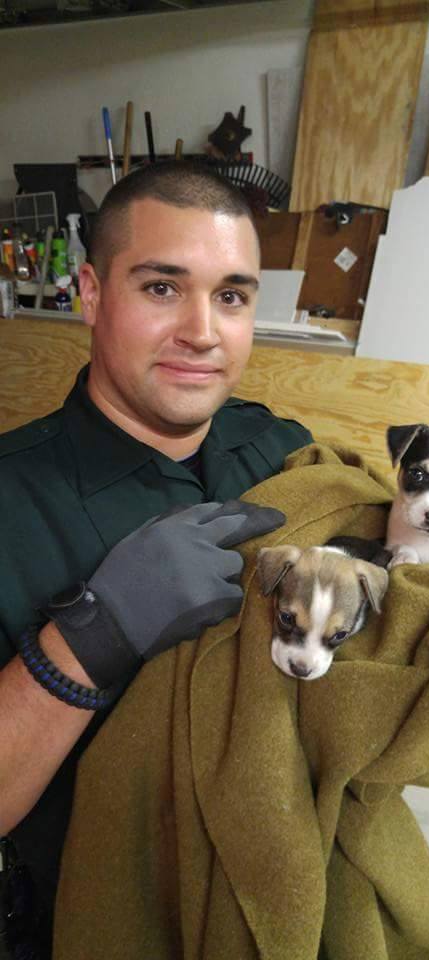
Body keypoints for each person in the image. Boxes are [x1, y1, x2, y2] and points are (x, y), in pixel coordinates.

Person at [0, 160, 312, 958]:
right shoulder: (9, 500)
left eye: (232, 296)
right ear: (92, 295)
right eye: (163, 287)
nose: (202, 331)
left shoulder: (284, 452)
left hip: (260, 905)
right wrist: (90, 637)